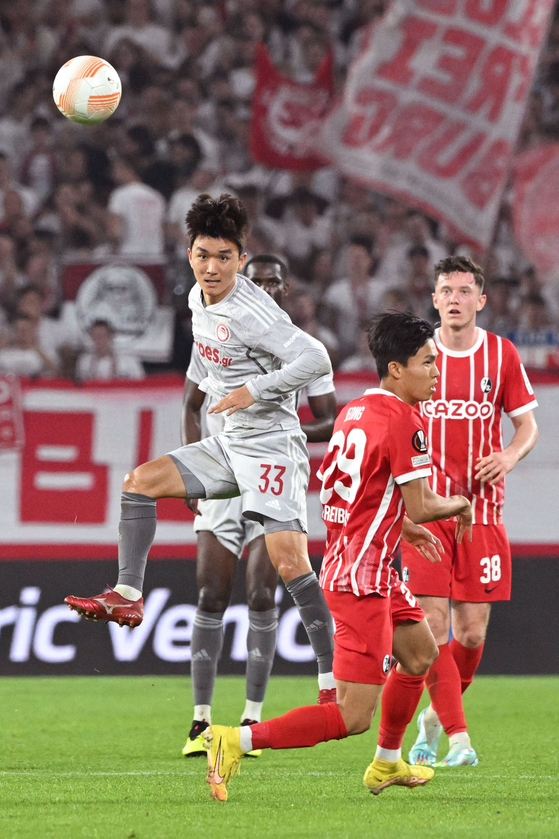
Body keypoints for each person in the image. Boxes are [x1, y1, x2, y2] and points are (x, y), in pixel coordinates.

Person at [64, 193, 337, 702]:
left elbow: (317, 358)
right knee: (138, 483)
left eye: (224, 257)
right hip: (229, 444)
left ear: (241, 258)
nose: (212, 268)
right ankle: (127, 595)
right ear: (190, 252)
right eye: (203, 255)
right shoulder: (196, 298)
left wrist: (253, 391)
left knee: (289, 562)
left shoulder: (255, 311)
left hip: (273, 447)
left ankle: (331, 680)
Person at [201, 312, 473, 802]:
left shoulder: (356, 410)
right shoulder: (405, 419)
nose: (437, 372)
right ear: (396, 369)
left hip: (368, 567)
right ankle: (233, 740)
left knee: (419, 655)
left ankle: (387, 764)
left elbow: (343, 493)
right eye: (428, 362)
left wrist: (401, 526)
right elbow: (424, 502)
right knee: (350, 717)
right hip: (360, 581)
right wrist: (460, 505)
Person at [182, 253, 337, 757]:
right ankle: (199, 721)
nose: (265, 288)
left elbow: (330, 420)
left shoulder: (299, 349)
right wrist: (191, 468)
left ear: (285, 290)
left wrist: (284, 429)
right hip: (223, 473)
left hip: (271, 474)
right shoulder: (217, 326)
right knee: (209, 593)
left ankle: (251, 716)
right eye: (258, 281)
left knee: (262, 595)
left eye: (274, 282)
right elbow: (191, 403)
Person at [403, 256, 538, 768]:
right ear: (434, 299)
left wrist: (506, 455)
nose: (455, 299)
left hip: (483, 513)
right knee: (435, 627)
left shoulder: (501, 356)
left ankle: (431, 722)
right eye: (446, 291)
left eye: (465, 291)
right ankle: (458, 739)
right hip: (428, 513)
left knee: (472, 634)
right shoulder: (417, 356)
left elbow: (527, 426)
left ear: (480, 300)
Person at [75, 319, 145, 382]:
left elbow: (140, 385)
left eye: (102, 336)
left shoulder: (129, 361)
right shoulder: (84, 362)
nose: (99, 340)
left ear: (111, 336)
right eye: (95, 336)